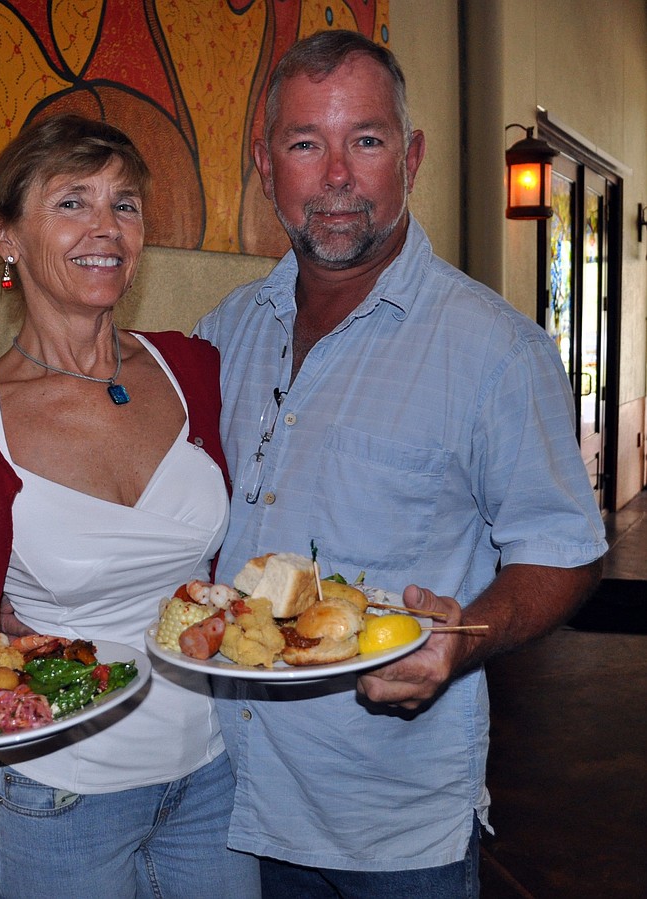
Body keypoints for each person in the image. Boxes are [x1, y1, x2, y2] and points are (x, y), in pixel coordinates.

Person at [195, 30, 607, 898]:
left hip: (390, 826)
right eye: (305, 144)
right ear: (266, 167)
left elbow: (565, 550)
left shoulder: (495, 350)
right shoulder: (223, 333)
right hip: (223, 801)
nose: (337, 175)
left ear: (410, 157)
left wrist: (462, 640)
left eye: (367, 140)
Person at [0, 113, 260, 899]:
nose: (106, 226)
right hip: (60, 797)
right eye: (72, 201)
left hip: (214, 779)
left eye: (125, 203)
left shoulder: (195, 368)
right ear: (5, 236)